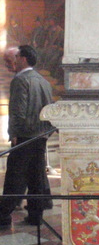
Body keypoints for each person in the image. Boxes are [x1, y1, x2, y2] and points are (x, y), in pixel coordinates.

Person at [0, 45, 53, 228]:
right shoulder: (43, 81)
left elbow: (17, 111)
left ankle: (3, 216)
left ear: (23, 59)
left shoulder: (20, 80)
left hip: (24, 136)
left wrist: (14, 133)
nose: (14, 61)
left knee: (14, 177)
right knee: (36, 178)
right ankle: (35, 216)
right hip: (40, 136)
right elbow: (50, 110)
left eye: (17, 57)